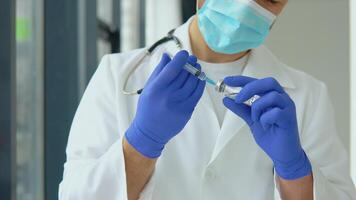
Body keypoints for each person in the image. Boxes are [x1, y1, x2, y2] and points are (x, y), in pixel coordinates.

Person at [59, 0, 356, 199]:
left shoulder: (306, 95)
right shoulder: (117, 74)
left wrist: (295, 169)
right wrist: (141, 143)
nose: (247, 4)